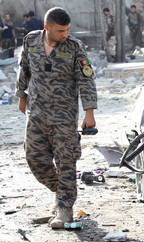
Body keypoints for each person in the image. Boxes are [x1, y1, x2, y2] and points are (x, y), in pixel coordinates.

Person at [16, 7, 97, 229]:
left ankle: (64, 209)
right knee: (35, 159)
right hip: (37, 113)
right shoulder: (31, 41)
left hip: (64, 116)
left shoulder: (74, 47)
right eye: (61, 30)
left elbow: (86, 79)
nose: (65, 34)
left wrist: (89, 112)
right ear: (47, 28)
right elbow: (24, 68)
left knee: (66, 162)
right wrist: (21, 95)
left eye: (68, 30)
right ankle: (61, 191)